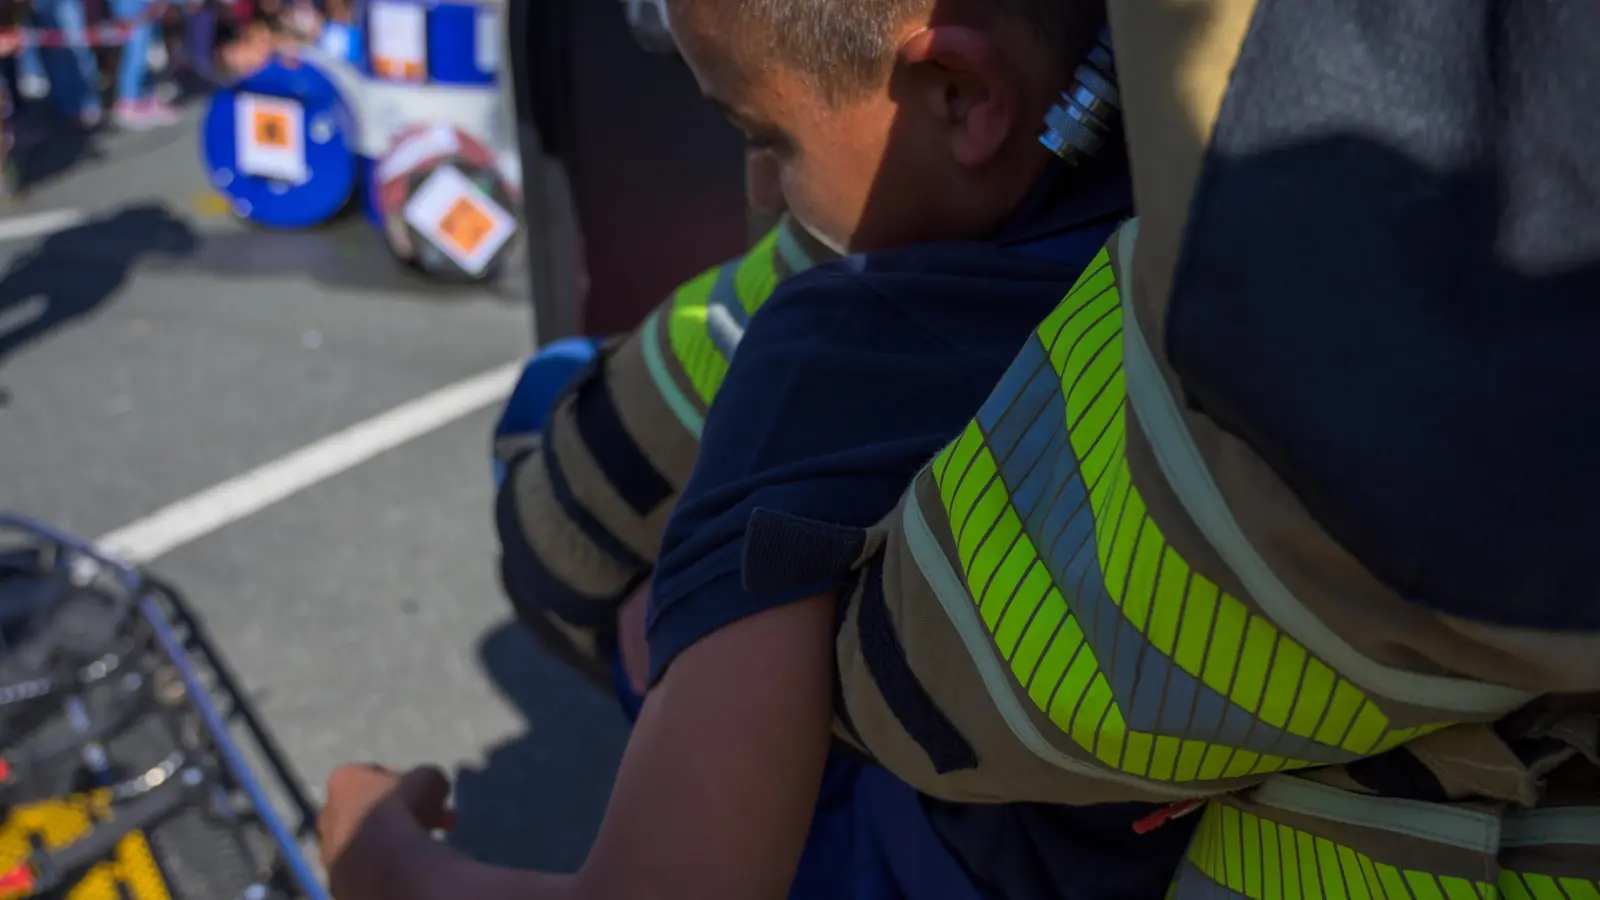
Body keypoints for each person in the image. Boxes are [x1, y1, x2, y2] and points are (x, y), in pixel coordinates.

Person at [317, 0, 1198, 898]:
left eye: (768, 137)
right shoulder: (1213, 231)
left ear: (964, 97)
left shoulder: (834, 361)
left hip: (940, 860)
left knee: (552, 398)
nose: (760, 189)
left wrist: (386, 862)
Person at [107, 0, 179, 128]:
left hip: (149, 9)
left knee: (151, 56)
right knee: (137, 57)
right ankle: (129, 102)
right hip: (135, 11)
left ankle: (147, 99)